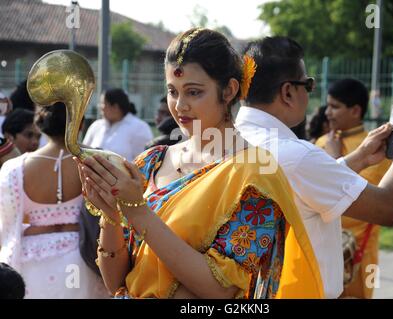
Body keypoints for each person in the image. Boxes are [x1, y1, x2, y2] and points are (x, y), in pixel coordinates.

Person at [76, 28, 324, 299]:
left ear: (229, 90)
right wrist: (111, 216)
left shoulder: (256, 175)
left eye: (194, 92)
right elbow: (116, 283)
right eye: (173, 91)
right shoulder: (150, 163)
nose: (180, 106)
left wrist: (137, 210)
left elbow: (219, 289)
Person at [235, 36, 393, 298]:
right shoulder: (296, 154)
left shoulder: (232, 141)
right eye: (308, 84)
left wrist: (358, 158)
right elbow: (389, 208)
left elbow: (304, 187)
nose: (314, 98)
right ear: (288, 92)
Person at [0, 103, 109, 298]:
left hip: (31, 260)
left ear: (39, 123)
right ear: (80, 123)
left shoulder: (14, 169)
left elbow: (7, 228)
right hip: (83, 257)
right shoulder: (98, 161)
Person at [315, 79, 391, 298]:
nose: (327, 112)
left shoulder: (376, 149)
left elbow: (356, 199)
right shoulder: (321, 142)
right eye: (328, 105)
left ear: (356, 110)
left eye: (335, 106)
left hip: (358, 250)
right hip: (320, 249)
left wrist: (335, 158)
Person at [83, 88, 154, 162]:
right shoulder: (96, 126)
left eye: (103, 103)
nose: (100, 107)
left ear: (115, 107)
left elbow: (144, 161)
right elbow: (84, 152)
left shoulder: (139, 128)